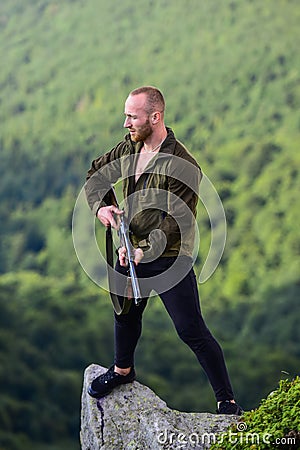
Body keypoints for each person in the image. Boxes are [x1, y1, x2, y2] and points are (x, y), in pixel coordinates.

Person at [84, 86, 243, 415]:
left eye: (132, 116)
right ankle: (123, 371)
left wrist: (145, 251)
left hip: (170, 257)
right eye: (125, 114)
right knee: (125, 314)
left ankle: (227, 400)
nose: (125, 122)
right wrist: (103, 208)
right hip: (131, 249)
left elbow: (178, 221)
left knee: (191, 329)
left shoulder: (183, 165)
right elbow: (96, 175)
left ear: (155, 118)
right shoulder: (130, 148)